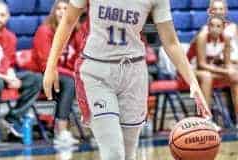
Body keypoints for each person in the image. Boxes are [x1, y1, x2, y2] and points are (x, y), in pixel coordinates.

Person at [43, 0, 211, 160]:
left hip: (134, 74)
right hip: (97, 71)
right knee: (114, 154)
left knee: (128, 154)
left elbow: (171, 41)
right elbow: (68, 21)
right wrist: (51, 66)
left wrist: (193, 82)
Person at [32, 0, 88, 146]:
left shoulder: (76, 31)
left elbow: (80, 59)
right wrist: (73, 75)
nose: (62, 11)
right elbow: (46, 65)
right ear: (53, 12)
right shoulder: (44, 31)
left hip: (65, 77)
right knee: (70, 82)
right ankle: (61, 131)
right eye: (59, 8)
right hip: (42, 77)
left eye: (66, 8)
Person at [0, 0, 41, 137]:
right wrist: (7, 78)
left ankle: (11, 119)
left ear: (8, 17)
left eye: (2, 15)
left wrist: (13, 77)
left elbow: (9, 63)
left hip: (3, 75)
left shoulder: (10, 37)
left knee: (35, 79)